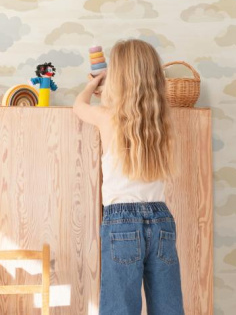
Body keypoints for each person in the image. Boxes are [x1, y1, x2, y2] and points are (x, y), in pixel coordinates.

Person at [73, 39, 184, 315]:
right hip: (161, 220)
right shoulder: (159, 121)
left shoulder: (107, 117)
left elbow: (79, 106)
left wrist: (94, 83)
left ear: (117, 79)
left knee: (119, 307)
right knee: (168, 306)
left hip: (121, 222)